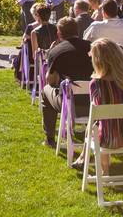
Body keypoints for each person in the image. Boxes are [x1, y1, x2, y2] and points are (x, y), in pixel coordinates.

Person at [72, 38, 123, 172]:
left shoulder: (97, 84)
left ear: (98, 61)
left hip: (109, 139)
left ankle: (104, 170)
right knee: (101, 125)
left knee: (96, 126)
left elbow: (97, 115)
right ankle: (83, 157)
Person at [40, 17, 94, 147]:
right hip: (94, 101)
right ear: (77, 30)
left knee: (46, 90)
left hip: (69, 103)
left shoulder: (57, 51)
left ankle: (50, 137)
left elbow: (50, 81)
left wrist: (49, 60)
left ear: (59, 33)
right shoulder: (92, 47)